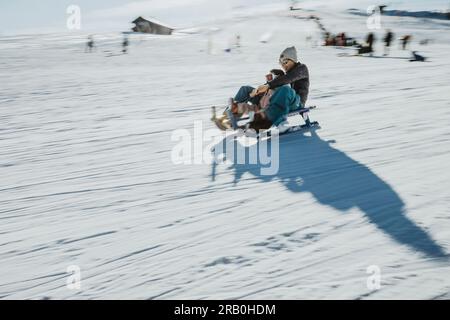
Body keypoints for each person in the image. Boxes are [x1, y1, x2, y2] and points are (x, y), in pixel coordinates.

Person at [232, 46, 310, 131]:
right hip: (282, 100)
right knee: (245, 89)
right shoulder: (285, 75)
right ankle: (230, 114)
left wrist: (269, 85)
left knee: (285, 90)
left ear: (293, 59)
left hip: (297, 103)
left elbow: (288, 78)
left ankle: (276, 123)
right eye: (281, 63)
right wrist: (258, 90)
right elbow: (278, 82)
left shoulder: (302, 69)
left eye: (285, 62)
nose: (283, 66)